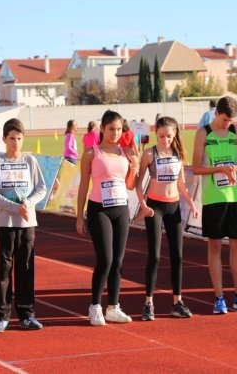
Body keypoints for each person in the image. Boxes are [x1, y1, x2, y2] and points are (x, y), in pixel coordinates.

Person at [192, 96, 237, 314]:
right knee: (214, 248)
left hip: (235, 197)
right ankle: (219, 297)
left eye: (231, 120)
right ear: (216, 114)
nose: (227, 124)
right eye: (224, 119)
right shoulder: (203, 133)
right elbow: (196, 167)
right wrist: (220, 169)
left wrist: (234, 167)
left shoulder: (235, 132)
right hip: (214, 199)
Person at [76, 110, 138, 326]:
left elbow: (130, 184)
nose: (115, 133)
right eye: (111, 128)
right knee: (105, 259)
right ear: (102, 129)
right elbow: (84, 184)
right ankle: (95, 306)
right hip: (98, 209)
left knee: (118, 261)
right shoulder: (91, 154)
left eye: (119, 129)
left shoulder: (126, 152)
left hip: (121, 208)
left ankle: (113, 307)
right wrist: (79, 216)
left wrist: (135, 166)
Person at [135, 116, 199, 320]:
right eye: (162, 136)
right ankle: (148, 302)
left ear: (175, 135)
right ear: (156, 134)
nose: (165, 140)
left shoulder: (178, 154)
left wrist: (191, 204)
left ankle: (177, 302)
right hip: (154, 207)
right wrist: (143, 205)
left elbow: (181, 184)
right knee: (154, 255)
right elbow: (138, 184)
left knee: (177, 256)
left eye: (169, 136)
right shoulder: (148, 154)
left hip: (173, 207)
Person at [0, 118, 47, 333]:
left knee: (26, 268)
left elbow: (41, 188)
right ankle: (1, 316)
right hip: (5, 223)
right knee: (4, 269)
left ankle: (26, 314)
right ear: (4, 139)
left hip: (27, 223)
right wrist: (14, 208)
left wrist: (28, 203)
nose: (15, 142)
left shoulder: (30, 161)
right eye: (11, 138)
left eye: (19, 138)